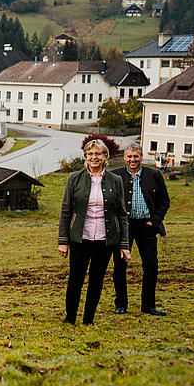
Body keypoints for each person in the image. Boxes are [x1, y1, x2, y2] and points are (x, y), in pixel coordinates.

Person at [58, 138, 129, 325]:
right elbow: (66, 210)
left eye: (98, 153)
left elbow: (121, 214)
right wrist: (63, 240)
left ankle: (88, 318)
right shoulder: (75, 178)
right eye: (90, 153)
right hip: (80, 238)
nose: (94, 157)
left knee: (97, 280)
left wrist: (124, 245)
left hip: (105, 240)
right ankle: (70, 317)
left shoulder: (116, 180)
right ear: (85, 157)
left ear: (105, 156)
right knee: (75, 279)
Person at [111, 144, 172, 316]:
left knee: (151, 265)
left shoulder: (154, 174)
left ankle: (148, 305)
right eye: (129, 156)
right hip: (124, 228)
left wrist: (154, 221)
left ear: (142, 157)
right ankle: (121, 304)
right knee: (120, 266)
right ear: (124, 157)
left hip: (147, 226)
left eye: (136, 156)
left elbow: (164, 201)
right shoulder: (115, 175)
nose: (132, 160)